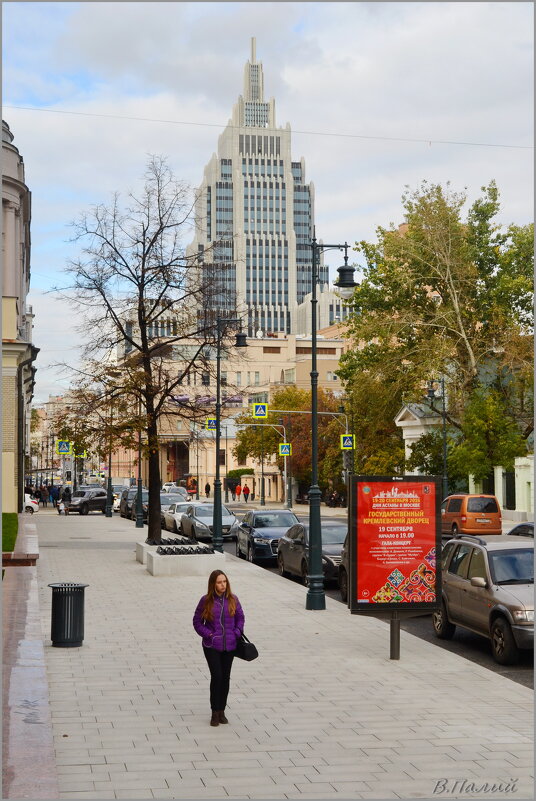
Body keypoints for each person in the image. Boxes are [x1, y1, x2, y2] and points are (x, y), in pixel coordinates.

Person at [193, 570, 245, 727]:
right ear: (213, 584)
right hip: (212, 646)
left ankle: (222, 711)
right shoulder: (206, 601)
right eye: (219, 582)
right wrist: (208, 634)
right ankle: (214, 712)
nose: (223, 585)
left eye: (224, 582)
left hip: (230, 645)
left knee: (226, 678)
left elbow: (240, 618)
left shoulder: (233, 599)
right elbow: (196, 622)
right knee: (217, 676)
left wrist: (236, 632)